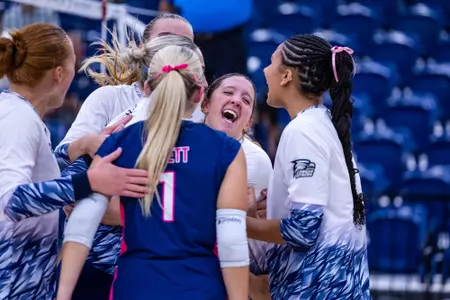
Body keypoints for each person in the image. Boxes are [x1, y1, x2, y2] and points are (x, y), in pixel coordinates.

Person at [59, 44, 250, 300]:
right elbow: (231, 241)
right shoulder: (226, 149)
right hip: (200, 286)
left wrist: (62, 295)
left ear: (147, 89)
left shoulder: (119, 142)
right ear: (200, 94)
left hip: (135, 285)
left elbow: (81, 224)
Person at [0, 23, 148, 300]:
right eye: (73, 66)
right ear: (59, 74)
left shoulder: (22, 115)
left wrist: (88, 147)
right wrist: (89, 182)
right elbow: (11, 201)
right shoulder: (17, 117)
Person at [245, 34, 370, 299]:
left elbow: (303, 230)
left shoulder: (303, 130)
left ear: (287, 76)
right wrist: (279, 207)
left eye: (270, 63)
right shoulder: (324, 124)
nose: (265, 71)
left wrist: (238, 222)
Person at [200, 73, 273, 299]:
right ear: (205, 104)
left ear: (249, 122)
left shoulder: (255, 160)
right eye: (228, 92)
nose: (236, 100)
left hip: (238, 274)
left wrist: (247, 214)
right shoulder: (183, 144)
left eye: (246, 100)